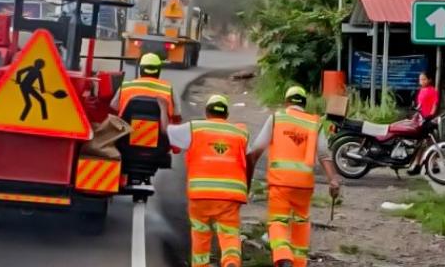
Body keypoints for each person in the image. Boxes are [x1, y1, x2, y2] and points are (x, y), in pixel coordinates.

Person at [246, 86, 341, 267]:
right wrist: (333, 180)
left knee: (278, 221)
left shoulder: (277, 118)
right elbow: (324, 155)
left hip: (280, 183)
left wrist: (248, 180)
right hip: (303, 186)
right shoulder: (314, 123)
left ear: (287, 102)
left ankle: (283, 256)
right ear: (304, 104)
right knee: (300, 223)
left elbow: (255, 151)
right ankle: (298, 262)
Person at [166, 95, 249, 267]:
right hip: (230, 196)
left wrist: (162, 110)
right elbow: (249, 156)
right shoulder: (240, 132)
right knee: (229, 234)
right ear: (226, 114)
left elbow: (168, 132)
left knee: (201, 233)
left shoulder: (195, 128)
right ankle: (231, 261)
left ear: (206, 112)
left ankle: (201, 264)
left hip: (200, 195)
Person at [111, 53, 175, 118]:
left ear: (141, 69)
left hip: (127, 127)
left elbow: (113, 107)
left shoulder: (125, 86)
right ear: (159, 70)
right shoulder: (168, 89)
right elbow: (176, 115)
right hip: (159, 128)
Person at [408, 71, 440, 175]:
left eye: (424, 79)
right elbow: (419, 105)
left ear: (429, 80)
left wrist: (430, 116)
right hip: (421, 120)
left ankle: (434, 164)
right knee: (420, 144)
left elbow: (434, 105)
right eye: (420, 79)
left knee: (431, 143)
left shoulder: (433, 91)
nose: (421, 81)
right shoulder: (421, 91)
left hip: (429, 120)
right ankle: (417, 165)